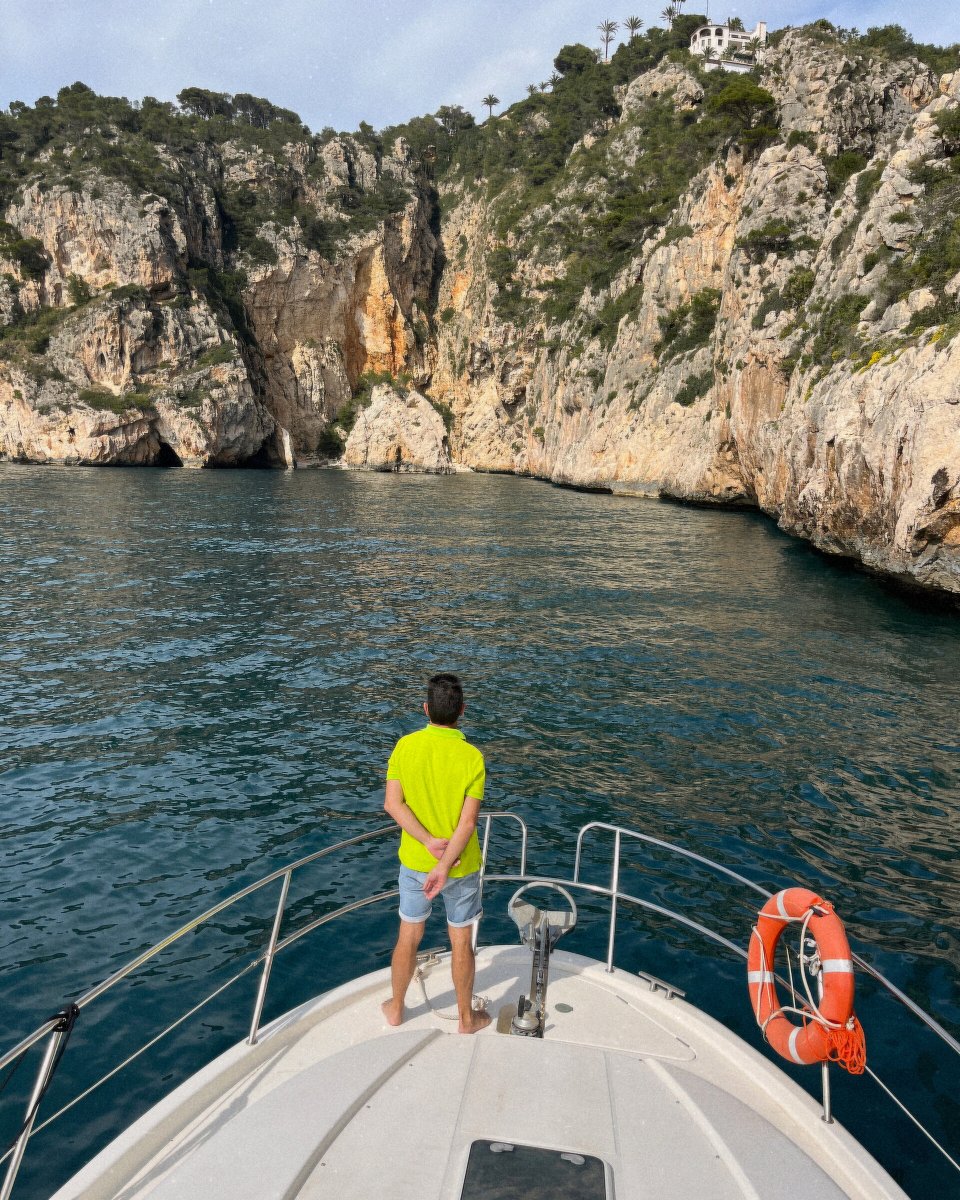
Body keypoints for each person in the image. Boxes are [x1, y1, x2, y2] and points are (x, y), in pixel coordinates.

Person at [380, 673, 491, 1034]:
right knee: (461, 941)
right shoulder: (472, 757)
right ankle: (466, 1019)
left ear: (425, 709)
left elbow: (392, 804)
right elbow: (468, 823)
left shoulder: (405, 746)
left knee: (409, 936)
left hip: (415, 861)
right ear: (462, 710)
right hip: (460, 865)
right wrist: (444, 864)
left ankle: (396, 1009)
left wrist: (428, 842)